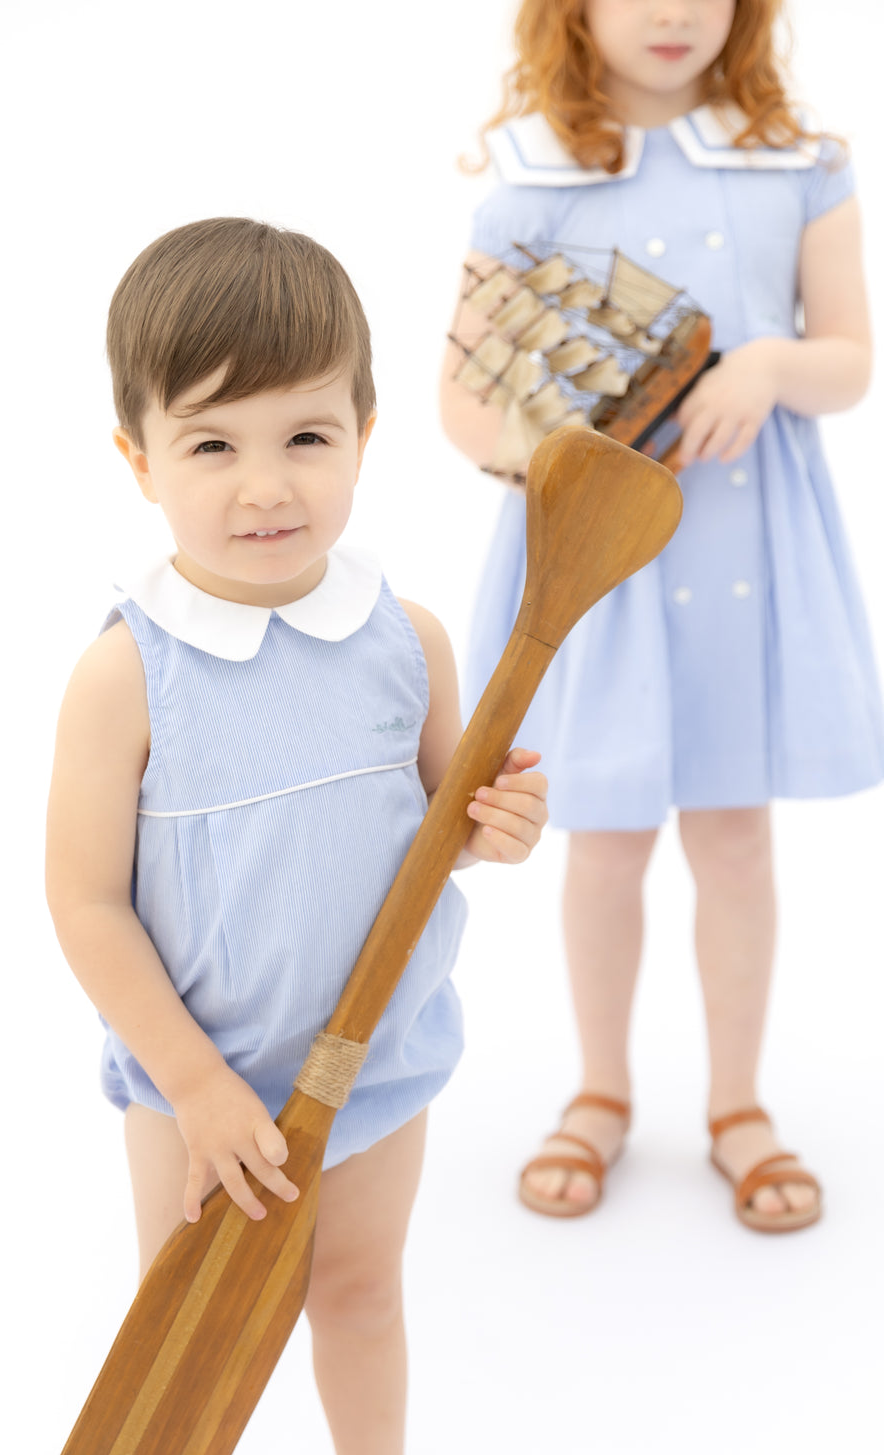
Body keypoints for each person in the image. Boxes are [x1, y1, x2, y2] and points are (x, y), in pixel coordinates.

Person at [45, 217, 549, 1455]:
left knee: (361, 1298)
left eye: (306, 437)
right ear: (138, 461)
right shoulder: (126, 675)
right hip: (196, 1078)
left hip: (372, 1068)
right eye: (212, 446)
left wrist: (502, 826)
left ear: (366, 434)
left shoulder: (410, 641)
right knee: (186, 1341)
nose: (265, 487)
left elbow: (445, 830)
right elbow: (84, 905)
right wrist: (198, 1088)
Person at [441, 0, 881, 1232]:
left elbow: (851, 358)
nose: (677, 11)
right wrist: (575, 434)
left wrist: (770, 366)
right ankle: (600, 1092)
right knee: (609, 836)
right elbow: (464, 408)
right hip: (607, 566)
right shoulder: (530, 177)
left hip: (750, 543)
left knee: (736, 836)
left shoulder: (803, 161)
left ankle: (740, 1105)